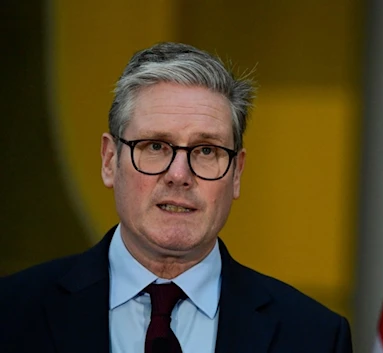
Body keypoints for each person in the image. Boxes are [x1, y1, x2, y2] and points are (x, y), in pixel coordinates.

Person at [0, 42, 353, 353]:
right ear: (110, 161)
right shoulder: (11, 314)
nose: (180, 175)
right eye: (155, 146)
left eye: (205, 150)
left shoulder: (315, 336)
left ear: (237, 174)